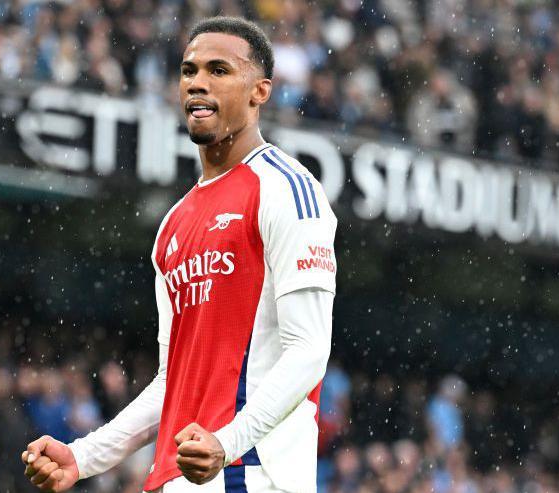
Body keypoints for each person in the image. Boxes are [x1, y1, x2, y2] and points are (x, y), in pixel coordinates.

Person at [21, 16, 337, 493]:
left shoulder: (289, 190)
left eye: (219, 70)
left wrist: (228, 442)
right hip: (180, 477)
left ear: (260, 91)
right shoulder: (173, 225)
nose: (198, 83)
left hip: (251, 473)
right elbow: (175, 381)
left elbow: (309, 350)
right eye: (189, 71)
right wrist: (84, 456)